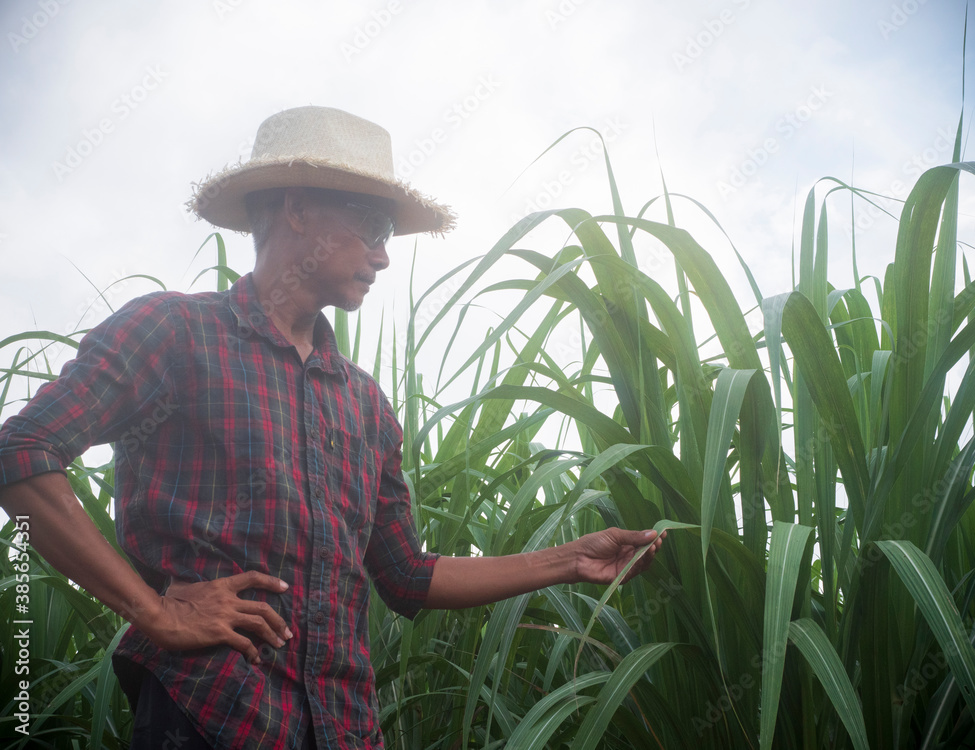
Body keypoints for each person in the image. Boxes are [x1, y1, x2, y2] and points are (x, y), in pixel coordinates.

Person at [0, 106, 666, 749]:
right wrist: (156, 612)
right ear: (296, 209)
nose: (382, 257)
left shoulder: (367, 406)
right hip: (209, 716)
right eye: (372, 228)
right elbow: (22, 452)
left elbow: (407, 574)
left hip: (344, 727)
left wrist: (568, 560)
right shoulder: (175, 333)